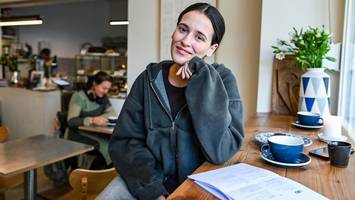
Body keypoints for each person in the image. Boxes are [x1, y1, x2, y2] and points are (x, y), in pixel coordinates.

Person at [98, 3, 244, 199]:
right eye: (183, 29)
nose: (185, 40)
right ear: (174, 31)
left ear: (211, 48)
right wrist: (153, 190)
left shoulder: (224, 80)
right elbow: (126, 143)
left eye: (199, 37)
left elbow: (221, 152)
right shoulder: (148, 80)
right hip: (147, 178)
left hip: (199, 183)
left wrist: (202, 82)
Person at [66, 71, 116, 169]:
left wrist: (100, 118)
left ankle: (103, 176)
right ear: (94, 84)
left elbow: (112, 114)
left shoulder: (102, 98)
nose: (106, 91)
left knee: (113, 144)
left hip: (92, 132)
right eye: (104, 88)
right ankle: (91, 177)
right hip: (76, 133)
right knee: (104, 147)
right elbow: (71, 121)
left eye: (108, 89)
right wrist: (92, 120)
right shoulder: (79, 97)